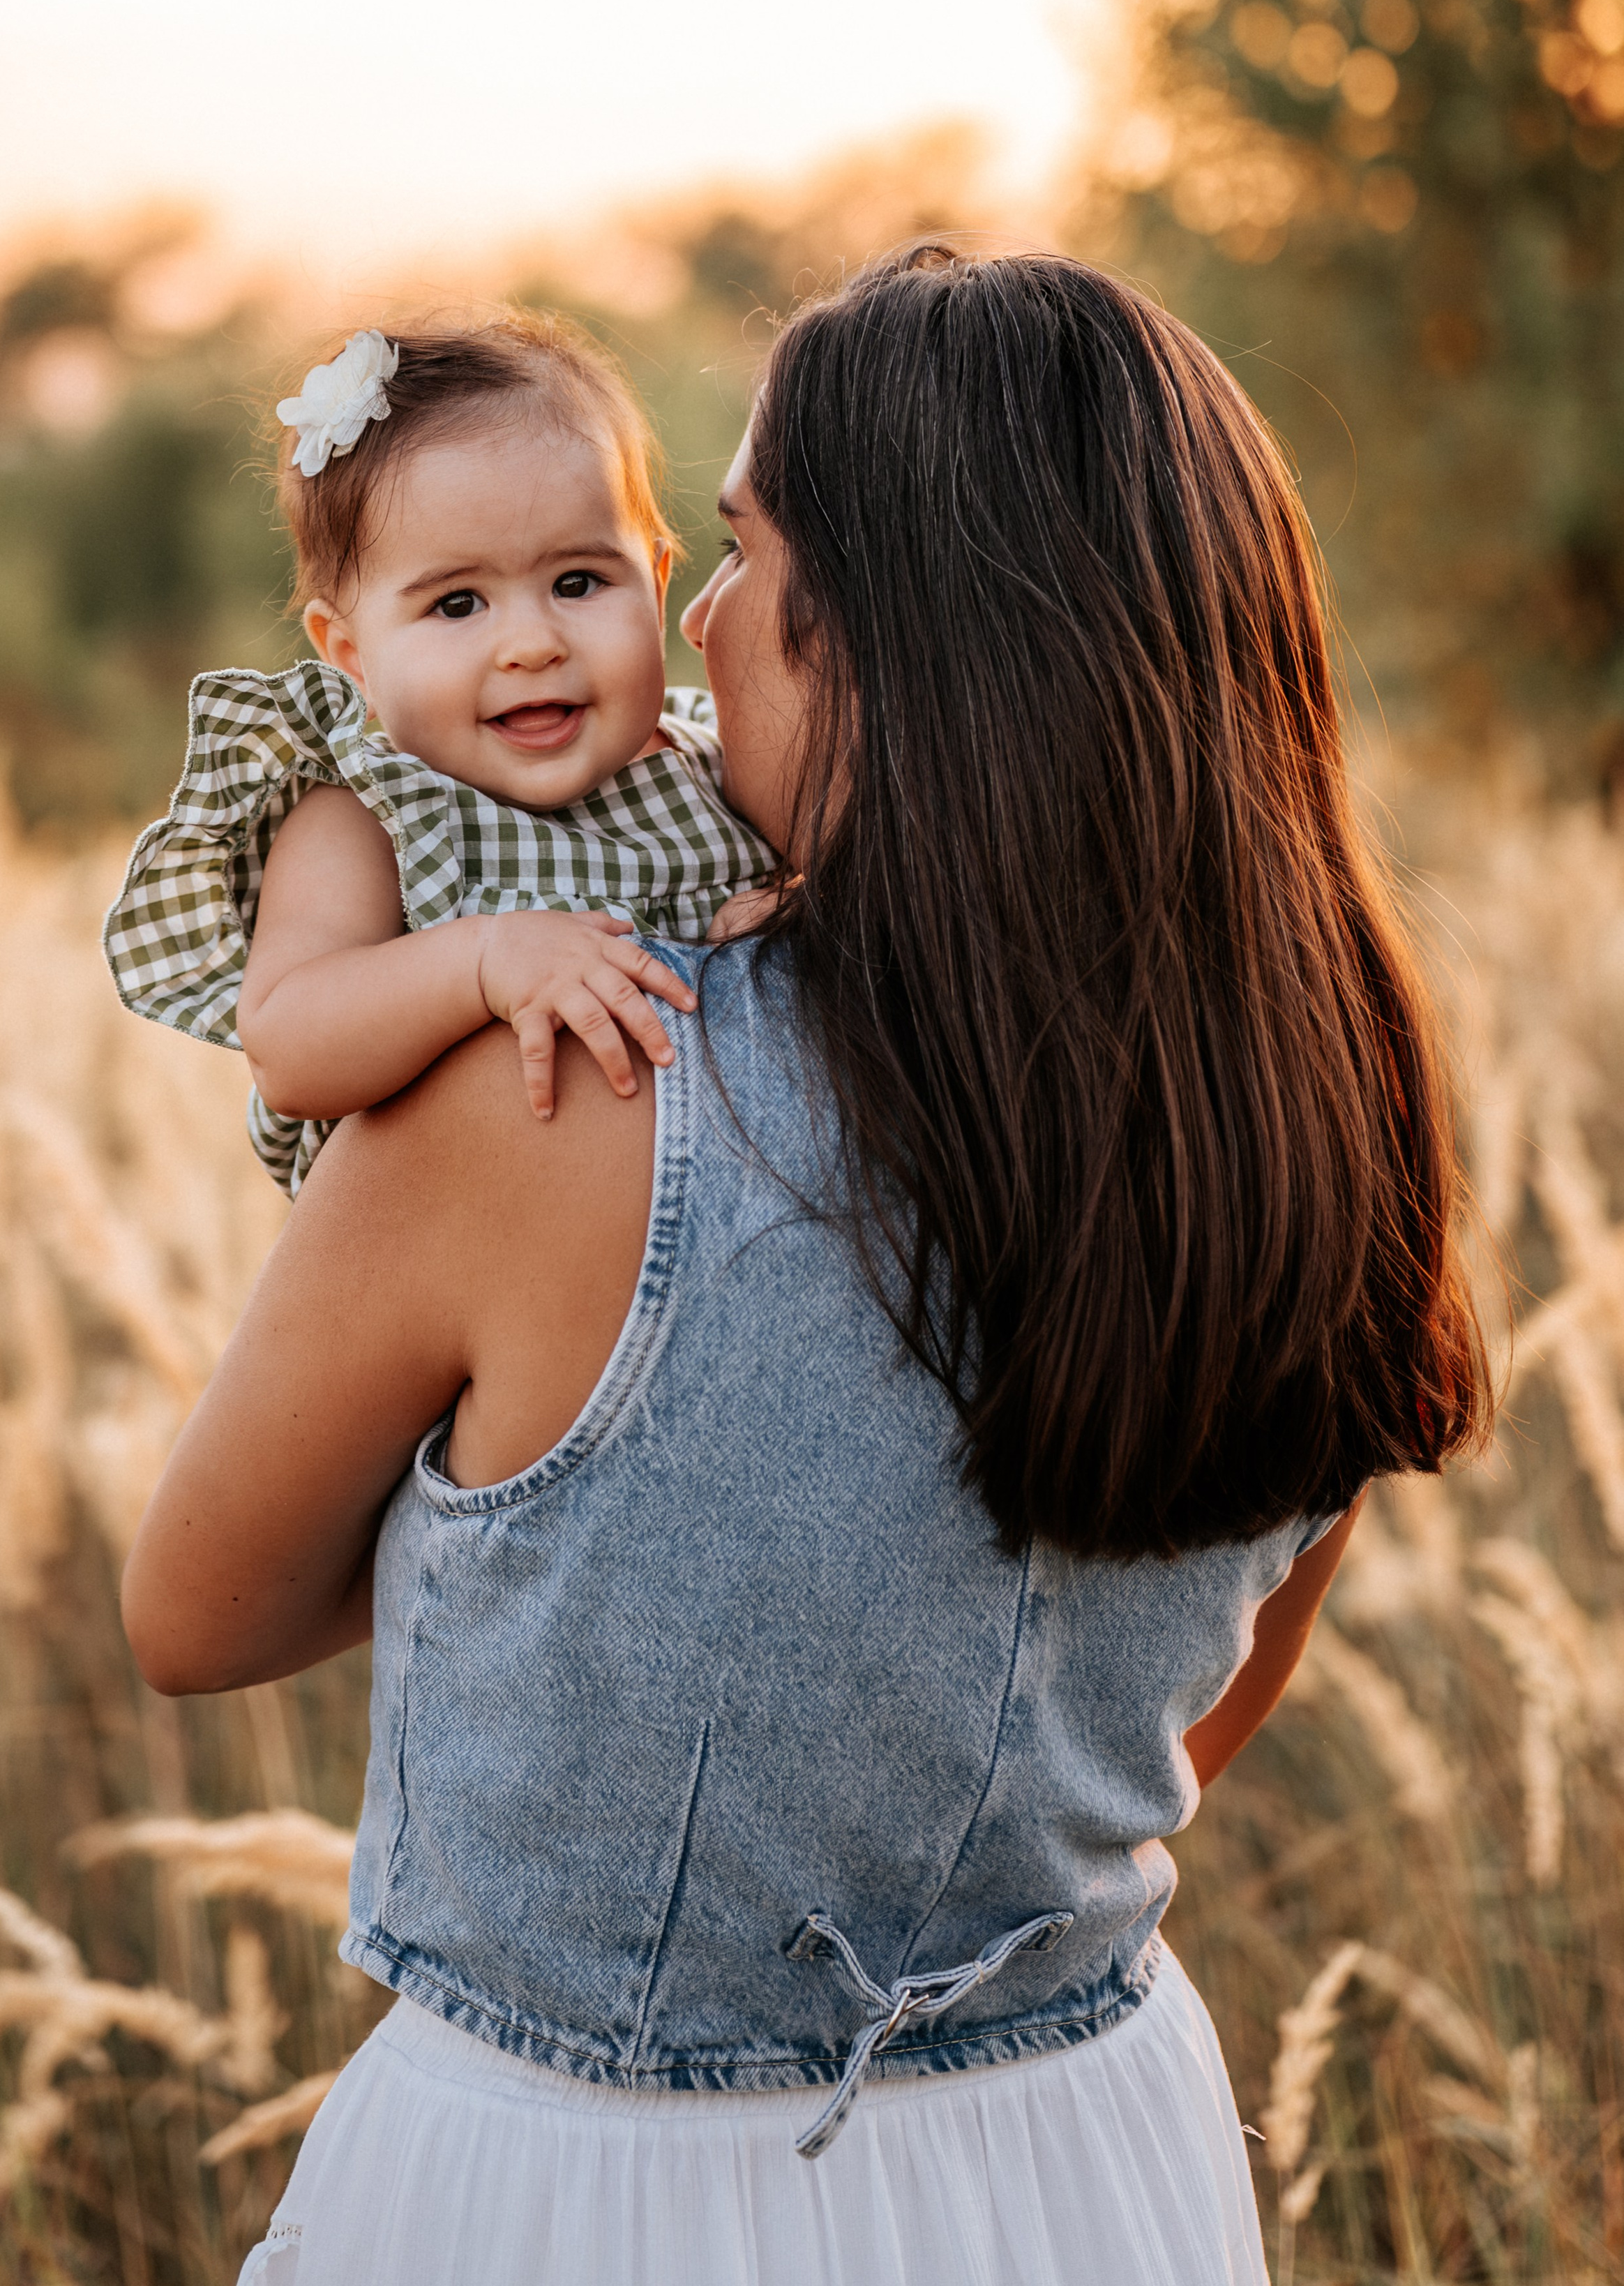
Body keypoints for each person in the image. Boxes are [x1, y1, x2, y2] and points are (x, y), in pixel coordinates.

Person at [122, 247, 1490, 2286]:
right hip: (1092, 2146)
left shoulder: (568, 1079)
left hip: (605, 2187)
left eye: (740, 546)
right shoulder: (1308, 1098)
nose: (691, 613)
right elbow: (1224, 1670)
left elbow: (198, 1606)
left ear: (885, 637)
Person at [103, 310, 776, 1193]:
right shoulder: (368, 815)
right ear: (351, 655)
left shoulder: (711, 767)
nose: (531, 643)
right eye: (458, 605)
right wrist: (483, 960)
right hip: (468, 1263)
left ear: (653, 586)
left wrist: (786, 915)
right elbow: (289, 1043)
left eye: (578, 582)